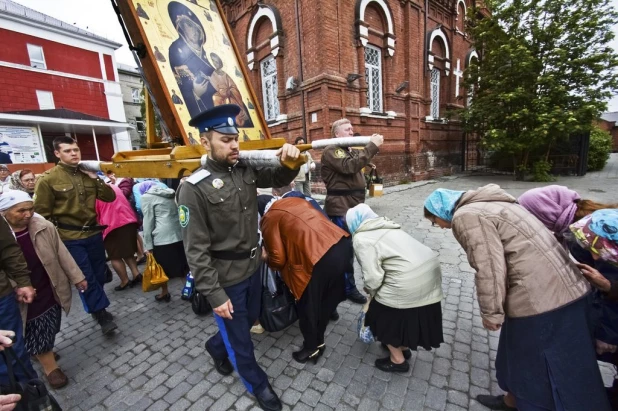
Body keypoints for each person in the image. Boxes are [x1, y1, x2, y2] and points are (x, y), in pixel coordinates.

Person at [423, 184, 610, 411]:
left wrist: (491, 312)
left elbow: (489, 267)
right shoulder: (497, 203)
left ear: (441, 211)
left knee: (537, 367)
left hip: (542, 301)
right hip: (565, 291)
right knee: (516, 355)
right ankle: (510, 401)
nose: (440, 228)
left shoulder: (466, 216)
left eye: (435, 222)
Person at [177, 104, 300, 411]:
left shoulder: (243, 169)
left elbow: (277, 174)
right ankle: (258, 385)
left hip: (252, 266)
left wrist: (290, 162)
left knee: (248, 321)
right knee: (240, 341)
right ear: (205, 142)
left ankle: (214, 346)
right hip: (225, 277)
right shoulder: (193, 188)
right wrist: (215, 294)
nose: (234, 145)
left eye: (236, 139)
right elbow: (195, 250)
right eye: (225, 140)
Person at [0, 190, 86, 389]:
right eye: (21, 211)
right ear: (4, 212)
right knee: (33, 327)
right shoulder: (5, 234)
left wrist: (77, 277)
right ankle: (50, 367)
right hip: (21, 293)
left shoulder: (43, 226)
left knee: (51, 322)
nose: (28, 215)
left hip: (49, 284)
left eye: (31, 209)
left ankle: (40, 350)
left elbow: (61, 252)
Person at [33, 136, 118, 335]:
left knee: (98, 275)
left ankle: (98, 307)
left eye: (76, 150)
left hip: (93, 234)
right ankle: (101, 313)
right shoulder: (49, 179)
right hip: (69, 237)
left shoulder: (86, 173)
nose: (74, 153)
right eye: (68, 150)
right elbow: (41, 214)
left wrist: (94, 177)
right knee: (84, 277)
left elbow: (110, 196)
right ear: (57, 153)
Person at [346, 204, 444, 373]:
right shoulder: (388, 226)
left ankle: (397, 360)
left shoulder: (361, 238)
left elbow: (373, 277)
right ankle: (403, 348)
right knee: (406, 315)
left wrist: (370, 291)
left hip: (407, 281)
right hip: (430, 274)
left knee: (379, 315)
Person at [260, 196, 350, 364]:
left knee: (308, 307)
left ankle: (311, 348)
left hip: (317, 259)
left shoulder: (269, 217)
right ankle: (319, 341)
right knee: (325, 302)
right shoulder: (296, 201)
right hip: (341, 245)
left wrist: (266, 257)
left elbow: (278, 259)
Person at [321, 118, 384, 306]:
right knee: (344, 253)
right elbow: (349, 166)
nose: (351, 132)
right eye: (347, 130)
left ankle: (344, 287)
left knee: (351, 250)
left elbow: (353, 165)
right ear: (337, 134)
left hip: (352, 208)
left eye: (351, 129)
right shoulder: (332, 149)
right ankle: (345, 289)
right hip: (341, 209)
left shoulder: (346, 150)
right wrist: (372, 146)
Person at [0, 213, 36, 388]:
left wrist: (23, 281)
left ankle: (32, 398)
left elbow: (7, 248)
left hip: (1, 298)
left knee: (14, 353)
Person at [140, 182, 189, 301]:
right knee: (183, 267)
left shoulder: (146, 197)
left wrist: (147, 245)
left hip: (161, 238)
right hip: (178, 234)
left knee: (160, 269)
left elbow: (148, 222)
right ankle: (188, 290)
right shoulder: (170, 193)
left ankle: (165, 292)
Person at [168, 1, 217, 118]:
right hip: (201, 110)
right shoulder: (176, 50)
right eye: (189, 26)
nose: (194, 31)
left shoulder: (206, 53)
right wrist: (195, 94)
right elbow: (178, 84)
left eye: (196, 27)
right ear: (181, 27)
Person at [96, 183, 142, 291]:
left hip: (111, 224)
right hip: (128, 219)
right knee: (127, 251)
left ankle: (124, 281)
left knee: (115, 256)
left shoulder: (93, 192)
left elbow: (95, 213)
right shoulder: (112, 186)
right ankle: (136, 274)